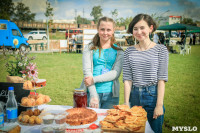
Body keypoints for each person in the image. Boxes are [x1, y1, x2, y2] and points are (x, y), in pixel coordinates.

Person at [123, 14, 168, 133]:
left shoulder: (161, 49)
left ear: (150, 28)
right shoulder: (128, 51)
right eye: (135, 29)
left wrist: (159, 104)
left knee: (154, 131)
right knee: (134, 130)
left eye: (142, 28)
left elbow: (162, 79)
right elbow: (127, 79)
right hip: (134, 97)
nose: (139, 32)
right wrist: (126, 102)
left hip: (153, 96)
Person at [80, 17, 123, 109]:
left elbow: (116, 73)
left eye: (108, 30)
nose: (105, 33)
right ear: (98, 29)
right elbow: (87, 72)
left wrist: (94, 79)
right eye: (102, 29)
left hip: (111, 96)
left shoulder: (119, 51)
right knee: (91, 122)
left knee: (108, 122)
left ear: (113, 31)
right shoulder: (89, 48)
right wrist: (93, 96)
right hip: (91, 92)